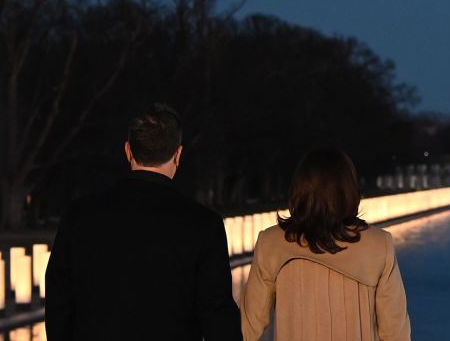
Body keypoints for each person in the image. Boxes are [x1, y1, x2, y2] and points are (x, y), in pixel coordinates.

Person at [44, 103, 241, 341]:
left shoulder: (79, 216)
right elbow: (217, 316)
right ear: (178, 154)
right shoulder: (204, 224)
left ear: (128, 151)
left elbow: (59, 305)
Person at [240, 148, 411, 341]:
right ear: (349, 190)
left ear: (300, 189)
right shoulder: (379, 245)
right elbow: (395, 332)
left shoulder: (271, 243)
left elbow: (247, 327)